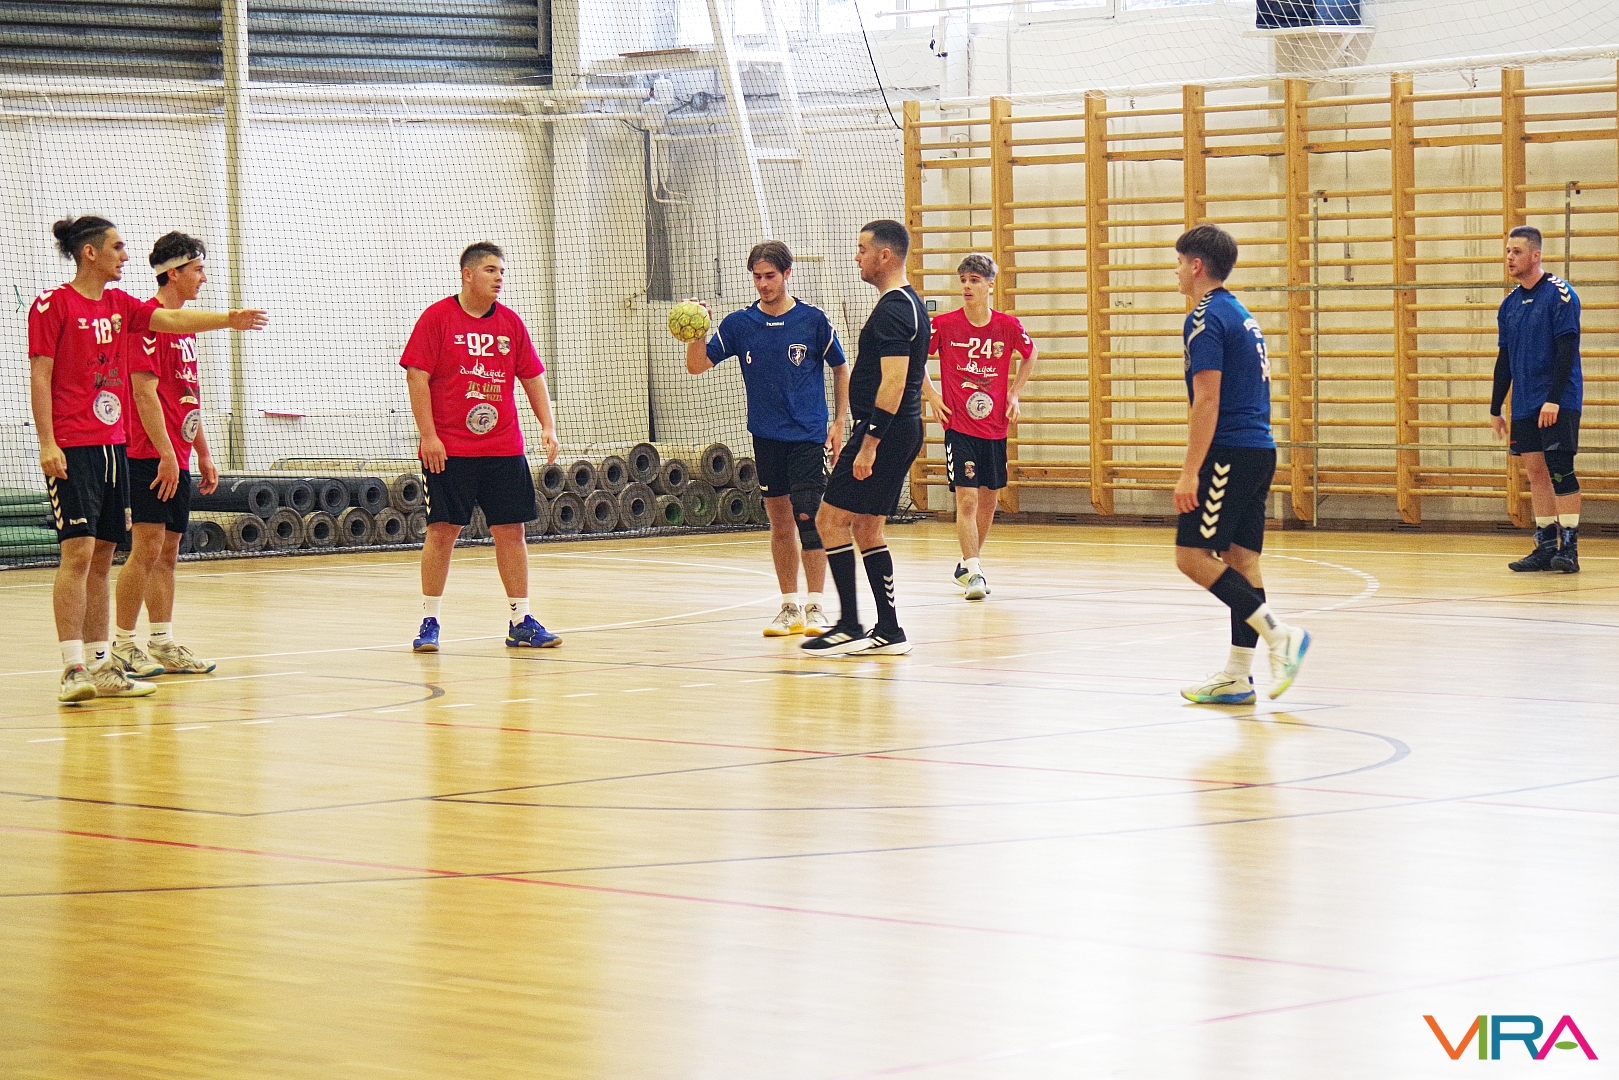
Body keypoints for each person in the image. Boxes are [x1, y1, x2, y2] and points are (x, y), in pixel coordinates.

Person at [29, 216, 266, 704]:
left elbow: (170, 320)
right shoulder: (53, 304)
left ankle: (102, 665)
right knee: (78, 553)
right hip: (73, 445)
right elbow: (40, 374)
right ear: (90, 252)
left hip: (113, 444)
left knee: (102, 556)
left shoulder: (120, 305)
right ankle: (72, 667)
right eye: (117, 247)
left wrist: (230, 319)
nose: (125, 256)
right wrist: (47, 442)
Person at [1170, 225, 1309, 704]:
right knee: (1241, 559)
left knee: (1191, 557)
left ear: (1196, 266)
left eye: (1179, 262)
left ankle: (1279, 635)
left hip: (1228, 452)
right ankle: (1236, 675)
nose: (1176, 271)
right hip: (1258, 449)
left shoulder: (1205, 317)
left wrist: (1190, 471)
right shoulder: (1240, 313)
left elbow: (1206, 400)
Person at [682, 241, 849, 637]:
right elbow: (696, 366)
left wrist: (840, 422)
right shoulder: (740, 324)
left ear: (787, 274)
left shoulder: (813, 320)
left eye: (770, 276)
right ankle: (789, 606)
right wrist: (697, 331)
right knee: (779, 522)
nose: (762, 284)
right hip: (766, 436)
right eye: (757, 277)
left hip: (808, 434)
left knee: (808, 516)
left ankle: (816, 606)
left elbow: (841, 368)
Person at [403, 241, 561, 652]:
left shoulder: (510, 323)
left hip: (503, 446)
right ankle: (429, 622)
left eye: (502, 271)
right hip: (449, 449)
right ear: (468, 274)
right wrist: (429, 435)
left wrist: (547, 425)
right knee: (443, 531)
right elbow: (417, 377)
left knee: (511, 531)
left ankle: (520, 621)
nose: (499, 278)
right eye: (491, 270)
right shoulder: (437, 318)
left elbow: (532, 376)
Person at [802, 220, 930, 657]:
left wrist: (870, 443)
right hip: (899, 429)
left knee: (829, 521)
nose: (856, 257)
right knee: (867, 527)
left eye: (862, 249)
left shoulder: (895, 308)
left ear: (885, 255)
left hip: (884, 431)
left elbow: (894, 381)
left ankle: (850, 624)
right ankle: (889, 630)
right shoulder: (908, 303)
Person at [110, 232, 221, 680]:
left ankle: (162, 641)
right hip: (147, 454)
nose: (203, 277)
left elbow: (186, 396)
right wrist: (165, 454)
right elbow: (145, 394)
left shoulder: (185, 328)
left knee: (169, 551)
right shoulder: (147, 323)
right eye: (197, 269)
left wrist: (203, 453)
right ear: (173, 273)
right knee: (146, 548)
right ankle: (122, 645)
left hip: (177, 454)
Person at [921, 254, 1036, 602]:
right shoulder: (945, 325)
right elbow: (916, 357)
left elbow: (1030, 354)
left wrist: (1014, 393)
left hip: (995, 427)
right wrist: (932, 394)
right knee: (967, 499)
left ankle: (967, 564)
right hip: (959, 426)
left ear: (989, 285)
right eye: (963, 280)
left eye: (974, 280)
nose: (967, 287)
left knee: (988, 501)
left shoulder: (1007, 326)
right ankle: (974, 571)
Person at [1492, 226, 1583, 573]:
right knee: (1535, 472)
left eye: (1517, 251)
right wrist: (1496, 408)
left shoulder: (1560, 294)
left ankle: (1569, 547)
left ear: (1536, 255)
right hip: (1526, 402)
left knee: (1560, 469)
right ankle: (1545, 546)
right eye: (1507, 251)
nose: (1510, 258)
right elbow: (1504, 358)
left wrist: (1554, 399)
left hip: (1558, 399)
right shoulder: (1509, 304)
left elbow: (1567, 349)